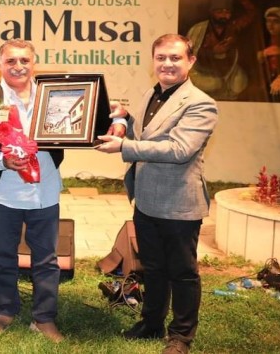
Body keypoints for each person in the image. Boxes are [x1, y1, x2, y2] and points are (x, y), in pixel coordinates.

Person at [0, 39, 126, 343]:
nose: (18, 67)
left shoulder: (56, 95)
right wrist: (1, 161)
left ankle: (44, 318)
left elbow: (99, 117)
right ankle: (6, 310)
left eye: (24, 60)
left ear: (33, 63)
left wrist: (118, 119)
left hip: (44, 191)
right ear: (0, 63)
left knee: (47, 259)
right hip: (2, 193)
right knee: (4, 257)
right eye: (11, 61)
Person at [96, 33, 218, 354]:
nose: (167, 64)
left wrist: (124, 146)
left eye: (175, 58)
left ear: (191, 61)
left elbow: (179, 149)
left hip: (179, 203)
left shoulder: (201, 103)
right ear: (153, 61)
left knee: (182, 272)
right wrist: (125, 117)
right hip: (147, 200)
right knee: (152, 268)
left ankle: (181, 336)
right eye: (161, 57)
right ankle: (151, 323)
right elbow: (149, 132)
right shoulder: (152, 92)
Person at [186, 0, 257, 101]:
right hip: (203, 72)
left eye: (227, 12)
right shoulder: (199, 29)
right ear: (212, 12)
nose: (224, 16)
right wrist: (214, 52)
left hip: (228, 71)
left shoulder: (232, 27)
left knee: (239, 83)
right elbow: (190, 55)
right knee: (213, 84)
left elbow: (251, 13)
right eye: (220, 12)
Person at [257, 7, 280, 102]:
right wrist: (262, 54)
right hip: (265, 81)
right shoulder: (264, 40)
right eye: (268, 21)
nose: (270, 25)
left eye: (276, 22)